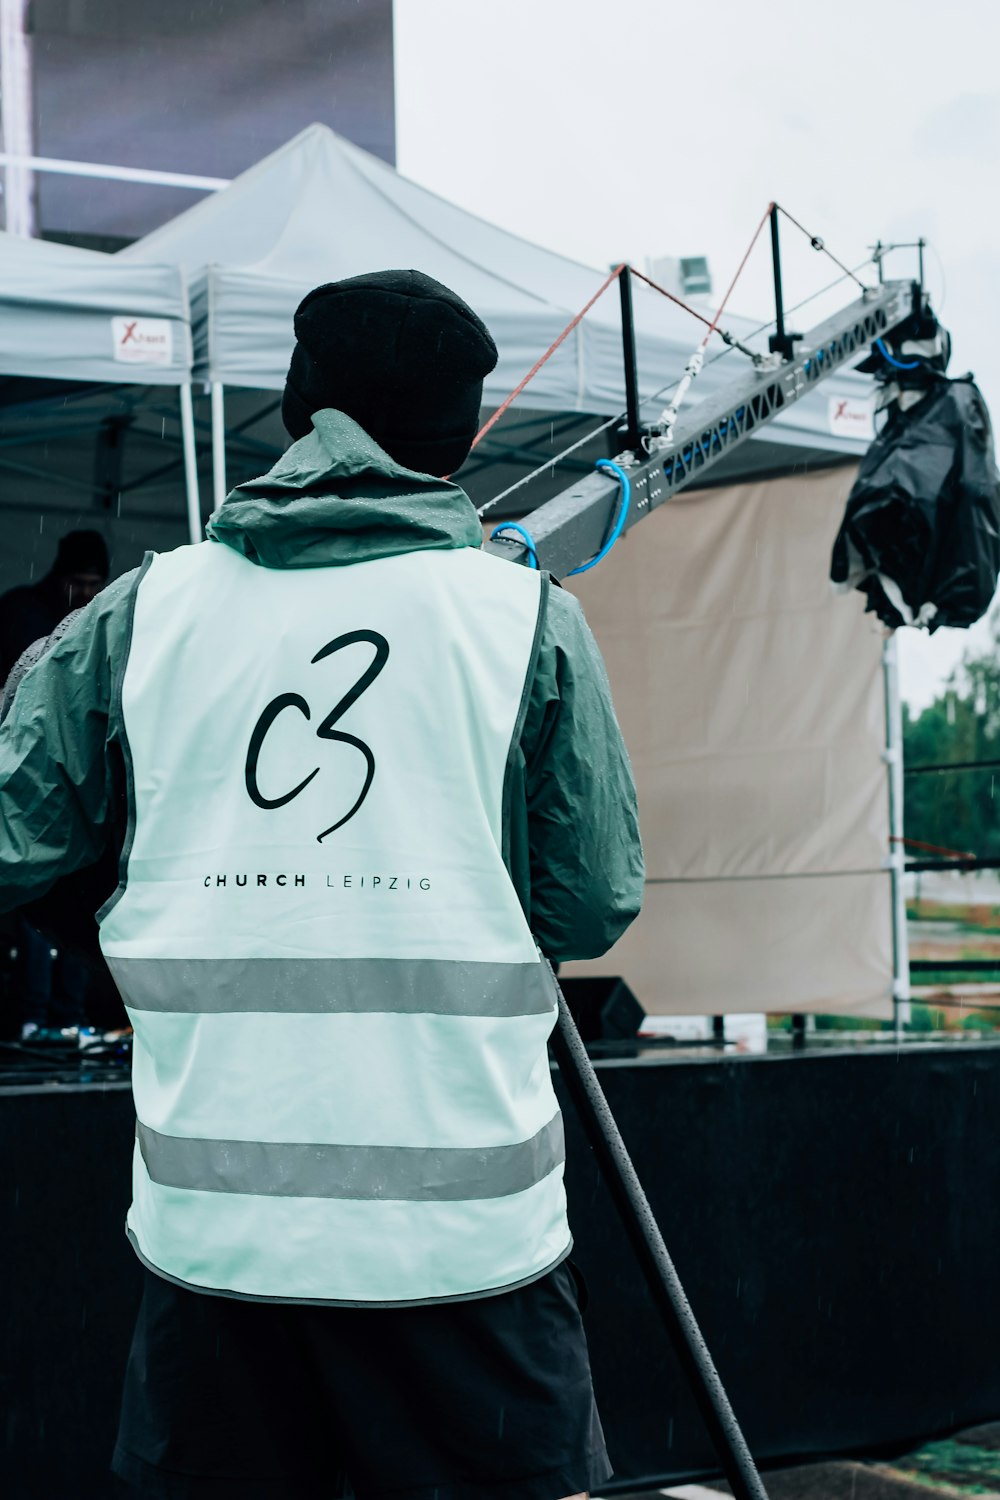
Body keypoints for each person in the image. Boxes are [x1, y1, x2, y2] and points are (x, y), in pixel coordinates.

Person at [0, 269, 644, 1500]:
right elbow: (589, 903)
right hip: (465, 1259)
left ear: (296, 404)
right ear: (459, 436)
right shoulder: (524, 622)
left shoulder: (140, 616)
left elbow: (13, 842)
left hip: (217, 1255)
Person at [0, 527, 109, 683]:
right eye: (77, 582)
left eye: (93, 583)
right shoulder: (19, 610)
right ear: (60, 577)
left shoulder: (101, 617)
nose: (86, 591)